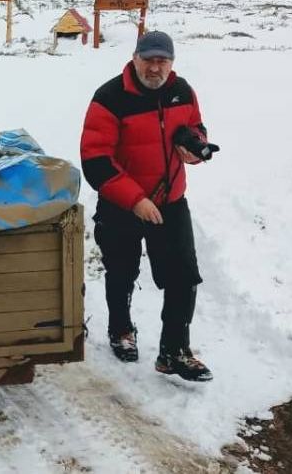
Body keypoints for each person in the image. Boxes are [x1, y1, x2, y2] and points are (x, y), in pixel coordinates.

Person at [79, 31, 214, 382]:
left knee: (183, 276)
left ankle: (174, 351)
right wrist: (134, 199)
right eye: (149, 60)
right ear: (135, 57)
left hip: (170, 202)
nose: (155, 68)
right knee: (122, 271)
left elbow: (194, 127)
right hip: (121, 203)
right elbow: (95, 159)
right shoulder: (109, 98)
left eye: (162, 61)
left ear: (171, 62)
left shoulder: (182, 91)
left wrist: (193, 147)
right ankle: (121, 329)